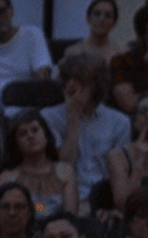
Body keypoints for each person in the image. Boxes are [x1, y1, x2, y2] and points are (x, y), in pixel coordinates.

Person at [42, 52, 132, 206]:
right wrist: (73, 118)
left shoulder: (120, 122)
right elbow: (63, 166)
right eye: (68, 78)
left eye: (79, 80)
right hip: (59, 199)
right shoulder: (48, 117)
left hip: (102, 201)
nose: (71, 85)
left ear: (96, 85)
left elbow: (120, 174)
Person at [0, 110, 76, 218]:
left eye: (35, 130)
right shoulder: (6, 178)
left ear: (46, 135)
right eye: (23, 133)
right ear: (16, 144)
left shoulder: (65, 171)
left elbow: (71, 216)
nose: (30, 136)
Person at [106, 89, 148, 201]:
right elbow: (123, 203)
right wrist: (139, 160)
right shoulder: (117, 156)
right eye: (142, 110)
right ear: (135, 121)